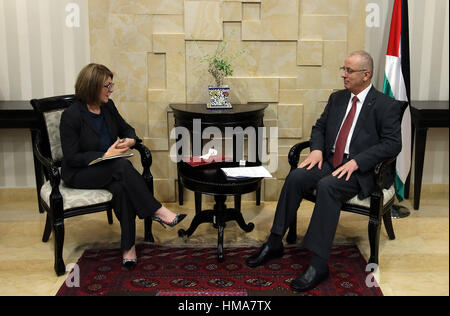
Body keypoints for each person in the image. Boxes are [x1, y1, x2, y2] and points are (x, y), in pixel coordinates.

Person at [245, 51, 402, 292]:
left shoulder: (385, 105)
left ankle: (319, 263)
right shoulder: (337, 99)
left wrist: (358, 161)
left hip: (360, 171)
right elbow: (319, 127)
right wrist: (317, 150)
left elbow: (392, 144)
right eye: (344, 69)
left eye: (349, 71)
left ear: (366, 74)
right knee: (297, 176)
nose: (343, 74)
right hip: (331, 161)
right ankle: (275, 241)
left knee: (328, 185)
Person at [60, 63, 186, 270]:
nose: (111, 90)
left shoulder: (108, 106)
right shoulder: (72, 115)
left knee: (121, 188)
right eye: (107, 86)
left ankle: (128, 248)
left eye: (111, 85)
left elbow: (125, 127)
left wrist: (131, 140)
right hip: (80, 172)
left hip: (108, 168)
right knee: (120, 165)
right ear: (92, 87)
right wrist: (104, 155)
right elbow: (72, 157)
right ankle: (156, 210)